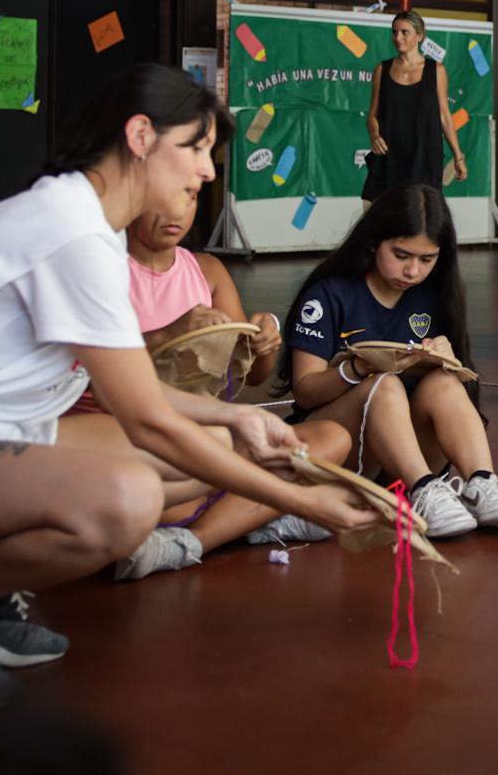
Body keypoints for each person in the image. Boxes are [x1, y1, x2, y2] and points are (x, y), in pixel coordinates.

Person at [0, 64, 379, 705]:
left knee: (216, 451)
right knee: (126, 500)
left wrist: (235, 418)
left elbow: (133, 384)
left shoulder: (91, 224)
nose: (206, 171)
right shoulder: (74, 232)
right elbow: (147, 421)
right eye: (196, 150)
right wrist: (316, 504)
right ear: (140, 136)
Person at [59, 197, 351, 578]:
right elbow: (91, 378)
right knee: (201, 453)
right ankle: (244, 519)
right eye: (164, 197)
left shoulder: (207, 270)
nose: (176, 212)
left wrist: (265, 340)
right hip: (133, 444)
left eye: (191, 197)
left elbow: (254, 375)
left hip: (207, 444)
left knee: (330, 438)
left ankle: (190, 543)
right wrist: (167, 333)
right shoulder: (101, 272)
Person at [284, 184, 498, 539]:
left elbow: (455, 395)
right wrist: (357, 368)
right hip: (346, 452)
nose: (412, 270)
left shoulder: (437, 296)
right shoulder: (330, 293)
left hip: (406, 452)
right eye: (401, 255)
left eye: (426, 259)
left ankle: (481, 482)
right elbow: (304, 392)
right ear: (372, 243)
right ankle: (423, 489)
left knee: (444, 383)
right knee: (384, 386)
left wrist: (448, 362)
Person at [364, 9, 467, 199]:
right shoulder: (382, 69)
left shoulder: (436, 70)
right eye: (394, 32)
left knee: (423, 213)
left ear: (419, 36)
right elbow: (372, 114)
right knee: (388, 215)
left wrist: (458, 156)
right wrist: (374, 134)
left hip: (425, 154)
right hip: (390, 155)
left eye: (405, 32)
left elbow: (444, 116)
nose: (398, 37)